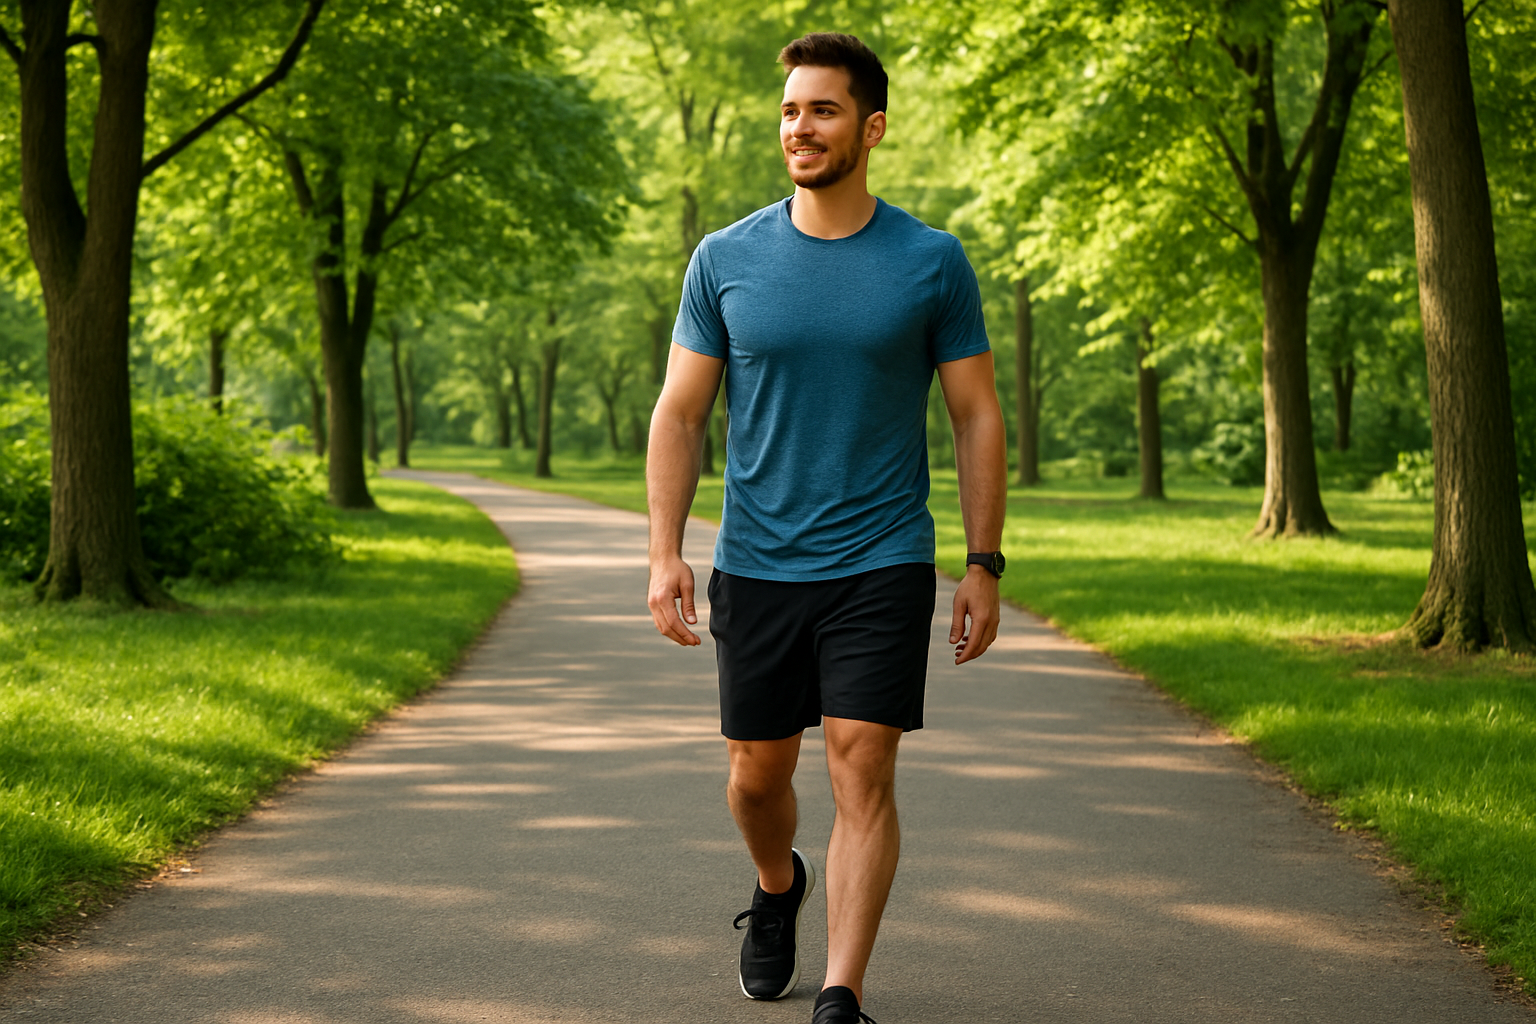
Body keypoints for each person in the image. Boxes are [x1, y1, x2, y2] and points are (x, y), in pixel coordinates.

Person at [645, 31, 1007, 1024]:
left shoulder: (931, 263)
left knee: (860, 755)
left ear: (872, 127)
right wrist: (666, 550)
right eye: (791, 111)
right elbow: (678, 412)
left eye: (823, 109)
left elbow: (977, 413)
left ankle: (842, 993)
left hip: (883, 557)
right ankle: (776, 886)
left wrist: (983, 562)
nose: (799, 127)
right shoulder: (725, 258)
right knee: (756, 777)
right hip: (759, 560)